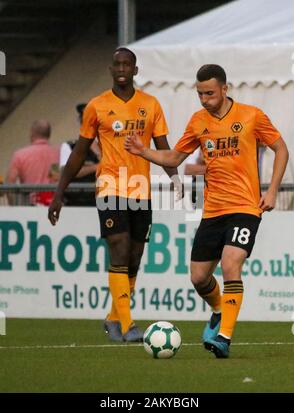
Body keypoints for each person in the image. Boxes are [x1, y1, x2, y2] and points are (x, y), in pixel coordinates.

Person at [125, 64, 289, 358]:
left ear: (225, 89)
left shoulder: (251, 115)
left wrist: (272, 189)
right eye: (200, 93)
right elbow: (175, 156)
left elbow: (281, 149)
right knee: (199, 278)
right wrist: (144, 151)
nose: (204, 99)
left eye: (210, 93)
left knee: (230, 265)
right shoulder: (198, 121)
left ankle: (224, 337)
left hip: (245, 207)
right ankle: (217, 310)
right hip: (212, 211)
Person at [48, 47, 181, 342]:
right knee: (119, 248)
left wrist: (175, 178)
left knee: (134, 257)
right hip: (110, 186)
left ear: (135, 70)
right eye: (117, 64)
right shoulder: (97, 106)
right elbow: (80, 153)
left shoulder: (151, 104)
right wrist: (59, 193)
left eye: (127, 64)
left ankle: (113, 318)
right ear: (111, 69)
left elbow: (163, 146)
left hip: (141, 190)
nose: (121, 68)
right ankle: (127, 325)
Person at [6, 119, 59, 205]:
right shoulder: (56, 153)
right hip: (50, 203)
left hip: (29, 205)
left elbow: (10, 183)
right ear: (49, 134)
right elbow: (55, 178)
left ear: (32, 133)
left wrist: (13, 206)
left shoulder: (20, 155)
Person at [59, 104, 100, 206]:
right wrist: (97, 167)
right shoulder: (70, 146)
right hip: (76, 201)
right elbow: (69, 171)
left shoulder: (106, 146)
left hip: (102, 202)